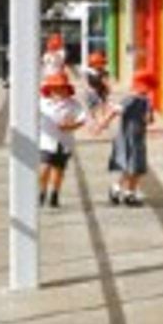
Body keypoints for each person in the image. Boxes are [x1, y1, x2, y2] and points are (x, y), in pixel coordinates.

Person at [107, 70, 156, 206]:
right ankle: (124, 191)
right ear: (137, 85)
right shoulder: (130, 99)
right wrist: (102, 123)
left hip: (138, 138)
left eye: (149, 87)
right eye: (144, 86)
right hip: (127, 138)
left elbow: (149, 120)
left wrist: (149, 113)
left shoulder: (146, 101)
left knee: (136, 167)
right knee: (130, 166)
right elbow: (115, 111)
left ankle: (124, 191)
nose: (146, 89)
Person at [36, 72, 84, 209]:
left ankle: (55, 193)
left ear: (66, 89)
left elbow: (82, 119)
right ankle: (42, 192)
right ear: (49, 89)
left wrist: (71, 125)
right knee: (44, 168)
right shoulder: (42, 103)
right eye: (54, 87)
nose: (58, 90)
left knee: (58, 171)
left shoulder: (73, 104)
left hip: (63, 143)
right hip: (46, 141)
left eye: (61, 87)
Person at [81, 50, 112, 126]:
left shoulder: (104, 72)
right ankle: (93, 119)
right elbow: (86, 81)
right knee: (92, 107)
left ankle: (103, 119)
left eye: (102, 63)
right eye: (97, 64)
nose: (100, 66)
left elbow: (105, 81)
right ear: (92, 64)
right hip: (91, 91)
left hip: (101, 91)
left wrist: (108, 88)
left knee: (102, 105)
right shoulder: (90, 72)